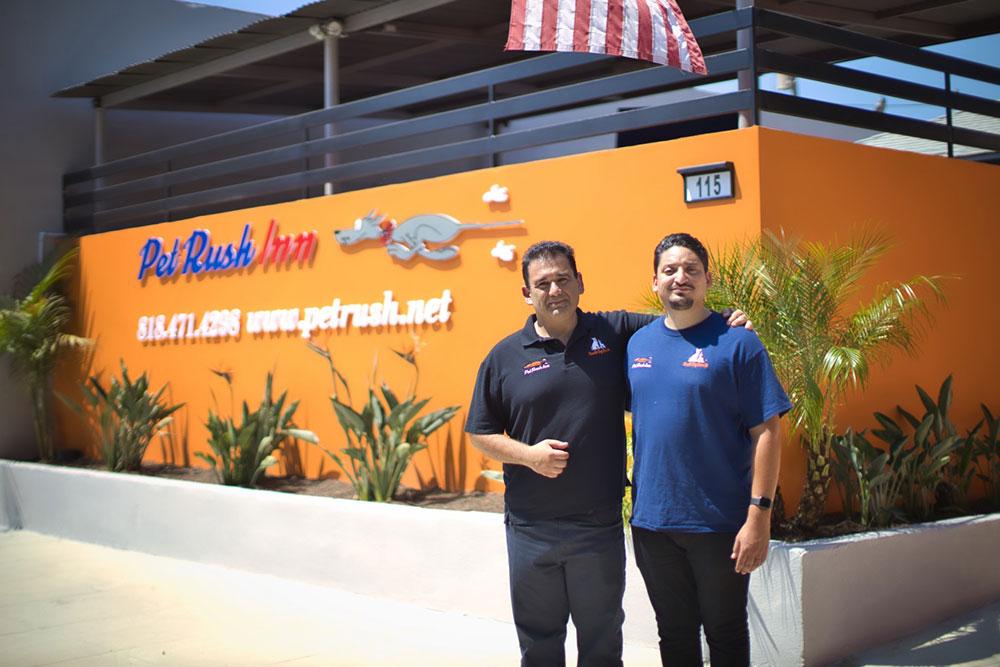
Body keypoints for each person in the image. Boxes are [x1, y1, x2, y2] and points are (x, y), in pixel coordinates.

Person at [465, 240, 748, 667]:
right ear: (526, 293)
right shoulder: (503, 357)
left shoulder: (614, 332)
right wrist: (528, 456)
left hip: (597, 527)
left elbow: (681, 320)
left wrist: (728, 320)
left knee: (601, 644)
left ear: (580, 282)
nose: (555, 290)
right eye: (543, 283)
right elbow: (480, 433)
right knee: (539, 645)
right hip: (530, 527)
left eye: (563, 279)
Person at [626, 232, 792, 667]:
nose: (680, 277)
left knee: (725, 632)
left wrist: (759, 515)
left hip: (719, 524)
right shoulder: (637, 345)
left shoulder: (739, 342)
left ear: (707, 279)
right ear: (655, 281)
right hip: (652, 523)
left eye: (691, 269)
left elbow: (768, 432)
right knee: (674, 634)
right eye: (670, 270)